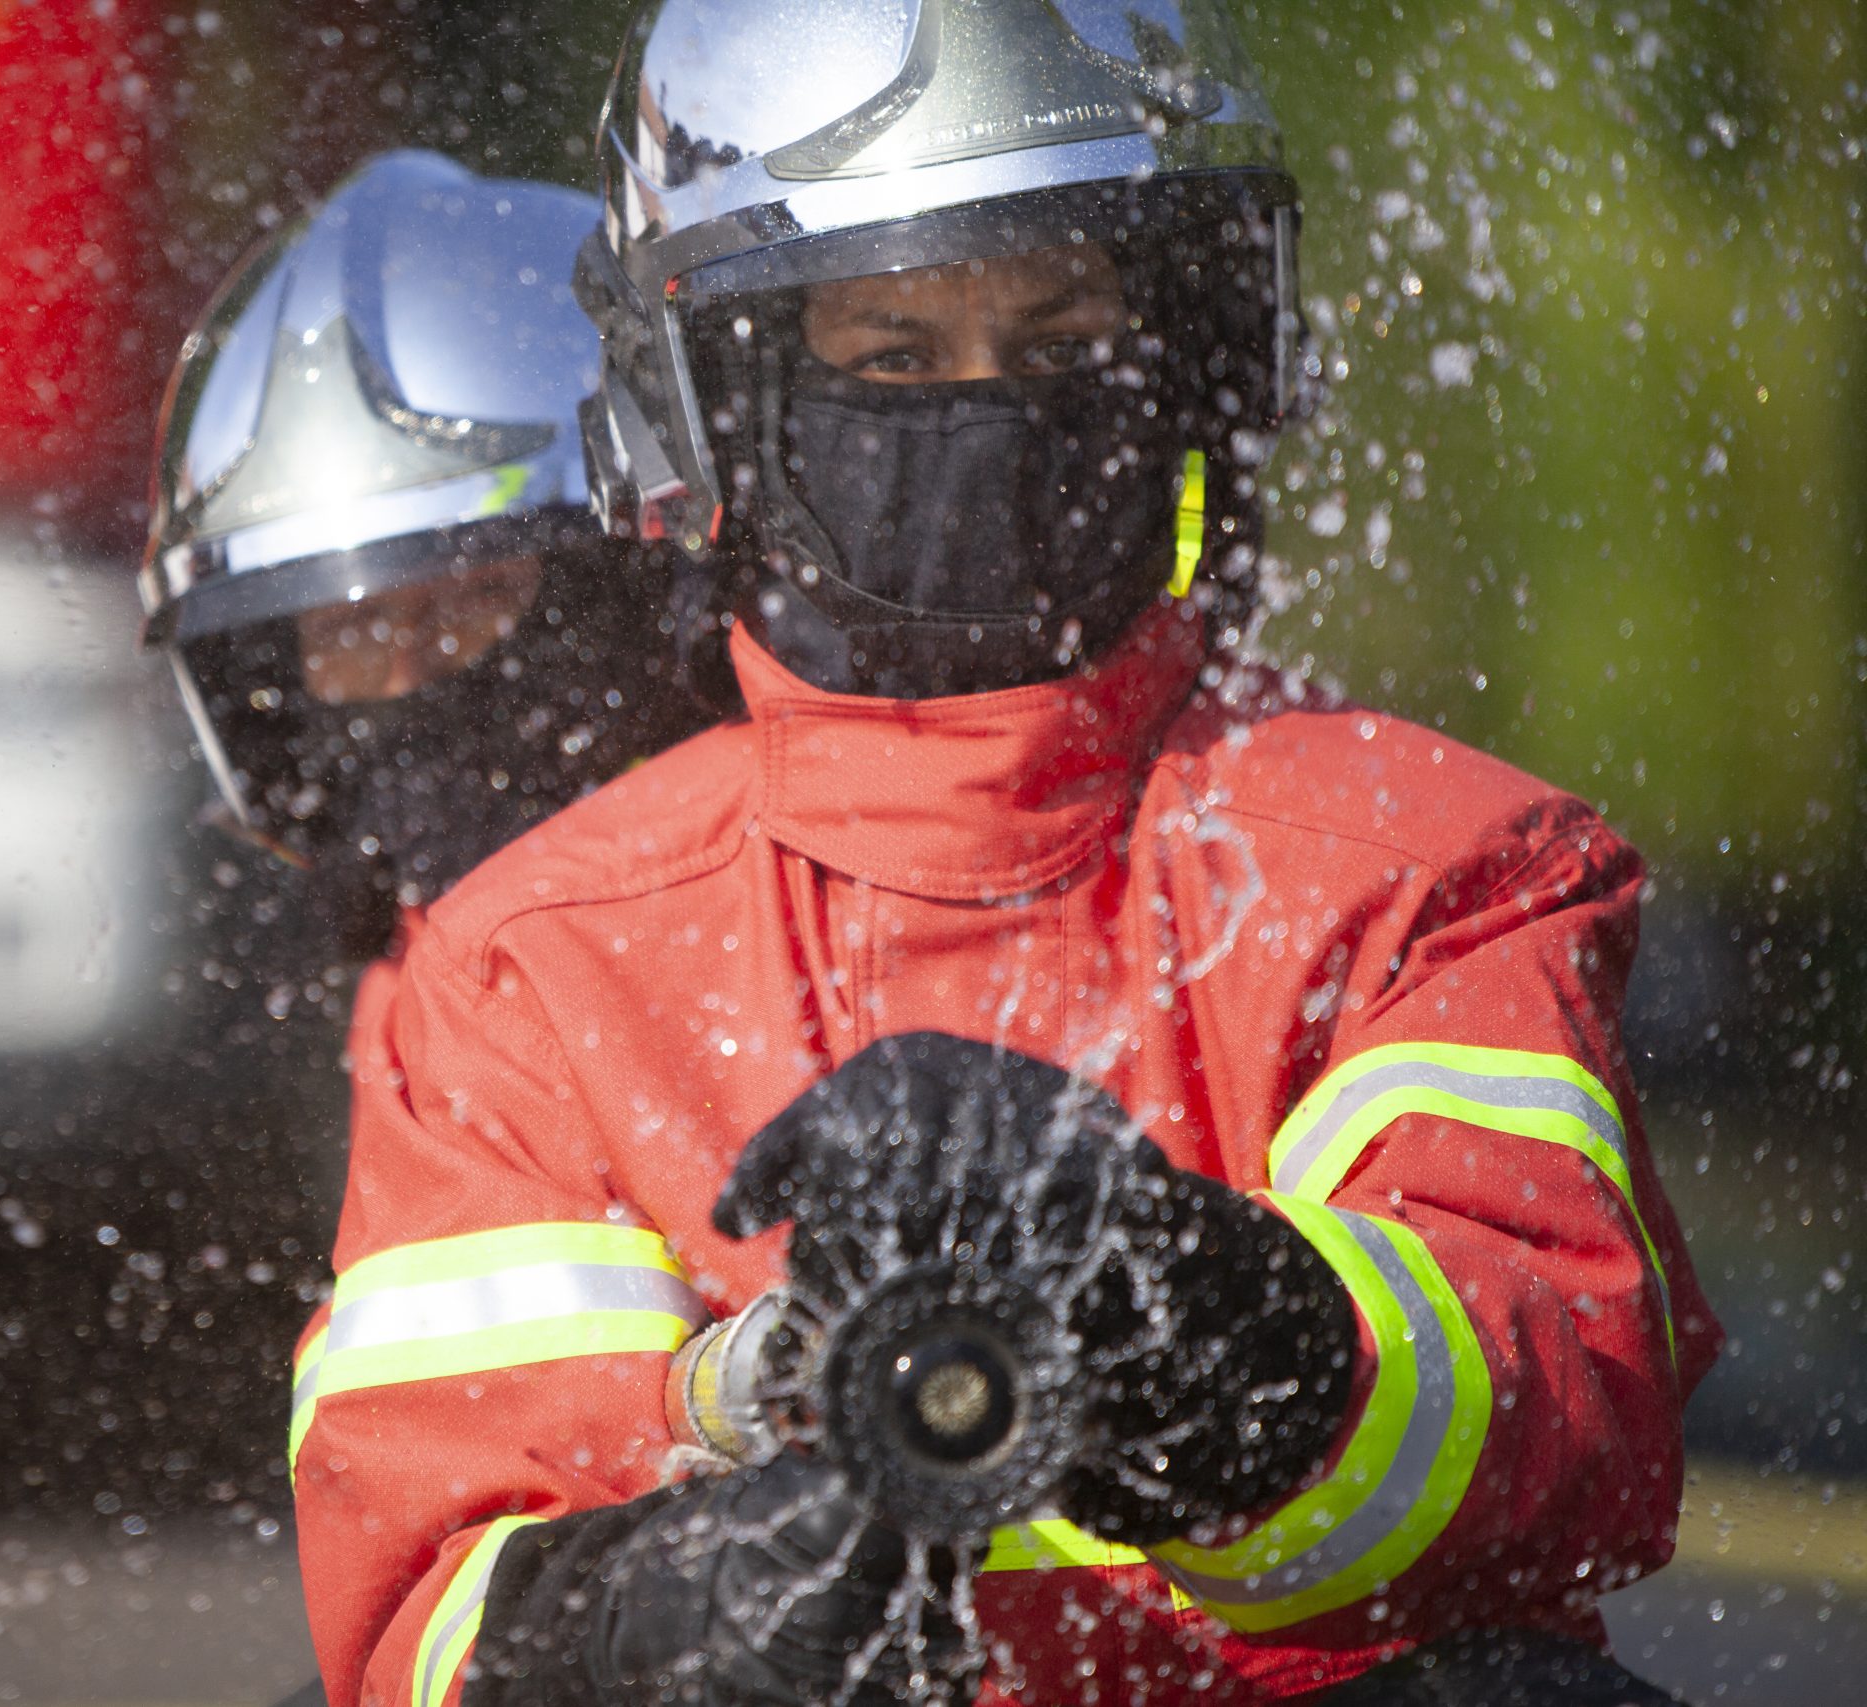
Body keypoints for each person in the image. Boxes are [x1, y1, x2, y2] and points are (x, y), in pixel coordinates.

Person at [289, 6, 1716, 1707]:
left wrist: (1198, 1305)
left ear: (1191, 348)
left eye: (1061, 337)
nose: (986, 403)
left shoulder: (1427, 871)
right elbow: (418, 1588)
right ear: (722, 397)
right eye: (893, 356)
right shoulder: (527, 963)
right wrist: (663, 1623)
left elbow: (1560, 1431)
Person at [140, 148, 717, 972]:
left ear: (621, 592)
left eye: (474, 600)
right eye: (357, 627)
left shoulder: (778, 925)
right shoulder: (402, 1013)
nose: (412, 666)